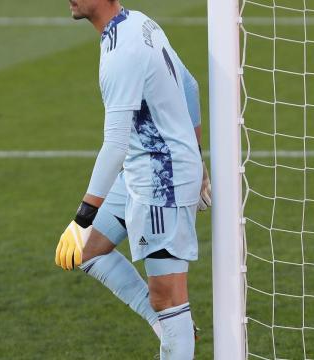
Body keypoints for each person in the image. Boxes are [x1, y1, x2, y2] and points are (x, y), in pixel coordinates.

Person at [54, 0, 211, 358]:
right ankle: (169, 327)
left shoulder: (122, 52)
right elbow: (190, 86)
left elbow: (114, 145)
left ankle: (174, 330)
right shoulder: (138, 23)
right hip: (141, 173)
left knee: (168, 298)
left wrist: (82, 218)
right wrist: (197, 157)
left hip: (162, 184)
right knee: (88, 253)